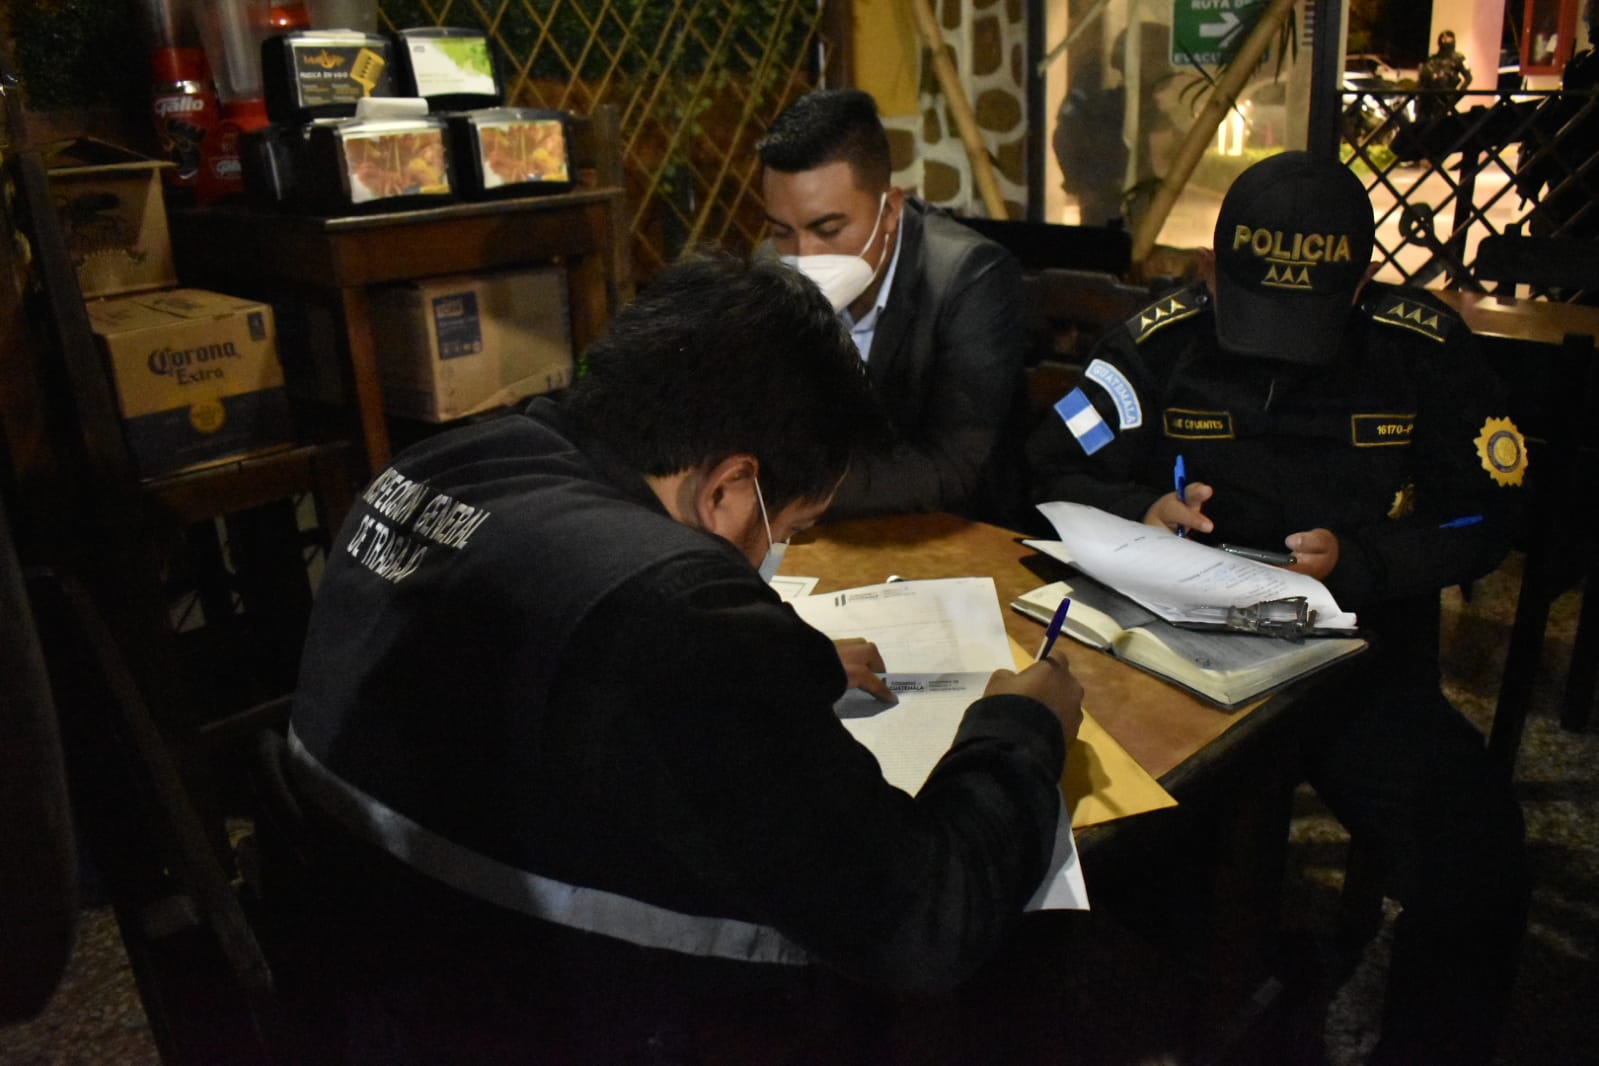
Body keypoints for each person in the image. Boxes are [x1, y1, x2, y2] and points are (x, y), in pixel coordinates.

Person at [282, 253, 1084, 1063]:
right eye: (791, 527)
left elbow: (563, 661)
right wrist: (1018, 729)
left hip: (372, 978)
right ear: (730, 489)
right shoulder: (673, 608)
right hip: (556, 1020)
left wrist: (786, 661)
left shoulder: (431, 467)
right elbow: (923, 923)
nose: (777, 550)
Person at [1027, 152, 1530, 1064]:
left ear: (1359, 288)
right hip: (1173, 660)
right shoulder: (1157, 346)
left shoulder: (1421, 353)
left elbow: (1486, 516)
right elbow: (1047, 469)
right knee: (1110, 844)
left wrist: (1363, 562)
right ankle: (1241, 988)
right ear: (1208, 272)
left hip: (1358, 664)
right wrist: (1141, 508)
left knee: (1477, 860)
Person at [757, 88, 1028, 524]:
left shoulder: (969, 278)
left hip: (952, 536)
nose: (804, 256)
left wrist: (791, 486)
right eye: (782, 231)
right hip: (818, 533)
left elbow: (954, 468)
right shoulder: (771, 269)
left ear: (890, 212)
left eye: (828, 228)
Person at [1418, 29, 1473, 116]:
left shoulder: (1459, 58)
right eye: (1443, 38)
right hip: (1430, 95)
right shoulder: (1432, 59)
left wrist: (1461, 89)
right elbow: (1423, 79)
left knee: (1442, 114)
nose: (1444, 40)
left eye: (1448, 38)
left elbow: (1468, 77)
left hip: (1447, 94)